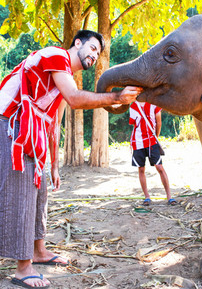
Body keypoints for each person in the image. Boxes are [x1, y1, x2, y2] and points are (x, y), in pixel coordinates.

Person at [0, 30, 142, 289]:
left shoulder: (64, 80)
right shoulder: (57, 56)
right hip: (9, 122)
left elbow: (53, 123)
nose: (94, 55)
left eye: (98, 53)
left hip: (29, 128)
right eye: (92, 48)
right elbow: (76, 100)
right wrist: (116, 97)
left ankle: (38, 251)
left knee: (40, 188)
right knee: (22, 191)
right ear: (77, 43)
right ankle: (22, 268)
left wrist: (53, 164)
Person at [129, 101, 177, 207]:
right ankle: (147, 197)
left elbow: (158, 122)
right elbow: (134, 124)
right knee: (141, 169)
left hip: (151, 141)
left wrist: (156, 137)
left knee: (160, 167)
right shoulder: (133, 106)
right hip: (138, 142)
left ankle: (169, 196)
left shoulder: (153, 104)